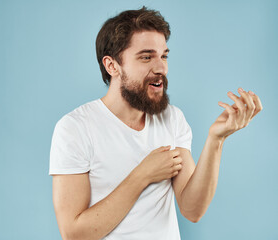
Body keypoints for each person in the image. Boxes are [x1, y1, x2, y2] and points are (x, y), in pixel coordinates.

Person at [49, 6, 263, 240]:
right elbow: (73, 234)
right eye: (146, 57)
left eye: (164, 56)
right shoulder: (75, 128)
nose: (161, 68)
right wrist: (143, 175)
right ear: (112, 66)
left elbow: (192, 210)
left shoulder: (172, 118)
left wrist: (217, 139)